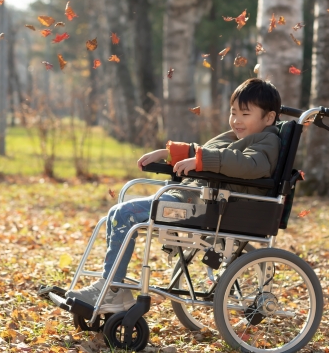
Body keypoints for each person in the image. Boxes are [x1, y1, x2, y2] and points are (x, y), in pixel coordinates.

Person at [66, 78, 282, 312]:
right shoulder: (235, 139)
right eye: (233, 113)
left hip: (209, 208)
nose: (236, 120)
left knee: (124, 214)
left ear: (268, 118)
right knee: (117, 214)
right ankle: (111, 287)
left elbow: (249, 165)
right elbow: (200, 150)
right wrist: (167, 153)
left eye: (245, 114)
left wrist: (202, 161)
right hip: (195, 200)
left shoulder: (267, 141)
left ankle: (113, 290)